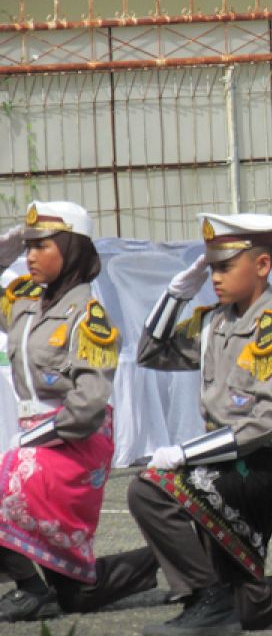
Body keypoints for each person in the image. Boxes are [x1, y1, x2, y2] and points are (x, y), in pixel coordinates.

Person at [131, 213, 272, 635]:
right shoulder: (215, 322)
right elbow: (152, 353)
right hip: (225, 460)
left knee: (150, 489)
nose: (215, 278)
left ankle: (204, 598)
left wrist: (185, 455)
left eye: (225, 266)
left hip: (263, 463)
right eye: (211, 268)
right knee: (247, 600)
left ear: (261, 266)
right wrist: (174, 297)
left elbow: (264, 422)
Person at [0, 202, 146, 622]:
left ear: (70, 248)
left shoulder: (88, 315)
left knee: (9, 473)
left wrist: (32, 439)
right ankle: (157, 560)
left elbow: (89, 403)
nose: (29, 256)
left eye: (40, 245)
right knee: (76, 595)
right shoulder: (26, 303)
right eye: (26, 246)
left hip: (74, 440)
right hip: (36, 442)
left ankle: (29, 590)